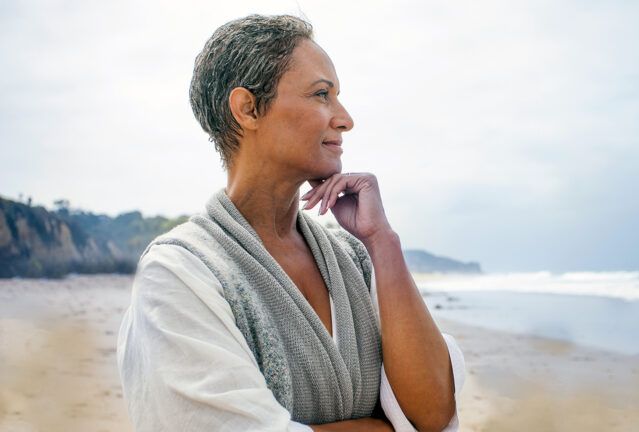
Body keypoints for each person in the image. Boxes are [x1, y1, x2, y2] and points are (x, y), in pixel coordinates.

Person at [116, 14, 464, 432]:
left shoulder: (355, 257)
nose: (345, 118)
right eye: (322, 94)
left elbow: (433, 415)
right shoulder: (179, 273)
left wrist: (382, 241)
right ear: (247, 109)